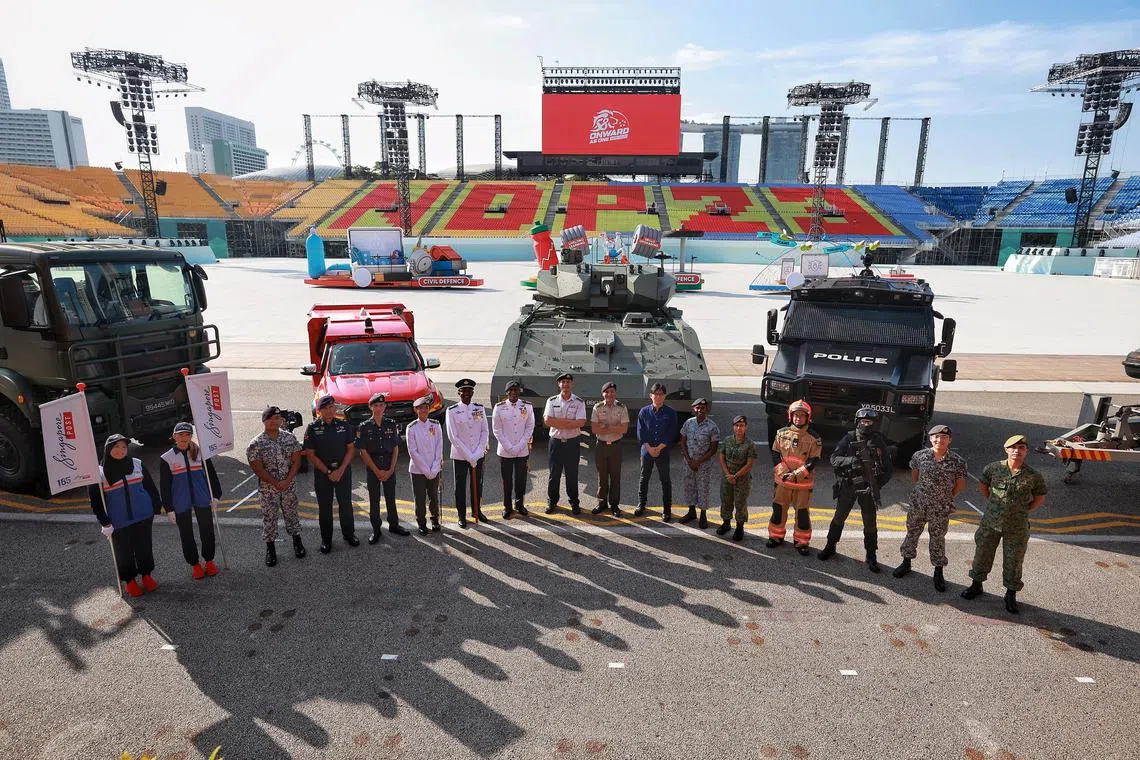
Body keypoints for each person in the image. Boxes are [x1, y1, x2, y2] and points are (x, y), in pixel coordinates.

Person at [961, 434, 1047, 614]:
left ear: (1026, 451)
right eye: (1013, 448)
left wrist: (1022, 511)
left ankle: (1010, 594)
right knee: (982, 554)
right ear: (1006, 450)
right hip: (991, 522)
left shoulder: (1033, 476)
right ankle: (976, 585)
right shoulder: (993, 469)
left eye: (1021, 448)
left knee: (1013, 561)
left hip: (1017, 527)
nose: (1017, 451)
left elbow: (1039, 498)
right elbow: (984, 488)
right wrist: (996, 507)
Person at [894, 424, 967, 591]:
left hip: (941, 508)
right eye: (936, 437)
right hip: (919, 504)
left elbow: (960, 485)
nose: (939, 440)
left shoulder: (957, 461)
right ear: (930, 438)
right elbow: (915, 477)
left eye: (943, 437)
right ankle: (906, 562)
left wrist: (944, 497)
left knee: (938, 539)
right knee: (912, 533)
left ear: (949, 440)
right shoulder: (919, 456)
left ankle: (938, 571)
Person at [820, 408, 892, 572]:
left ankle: (871, 555)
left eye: (869, 422)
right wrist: (852, 461)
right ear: (858, 422)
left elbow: (888, 470)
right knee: (839, 517)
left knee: (870, 523)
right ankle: (830, 546)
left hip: (868, 488)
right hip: (849, 485)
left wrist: (876, 485)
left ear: (874, 424)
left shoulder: (879, 442)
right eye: (863, 422)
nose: (866, 425)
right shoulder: (850, 437)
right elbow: (834, 459)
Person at [90, 434, 161, 597]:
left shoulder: (137, 464)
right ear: (108, 450)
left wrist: (156, 507)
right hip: (118, 521)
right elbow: (96, 502)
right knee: (124, 552)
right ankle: (129, 581)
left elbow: (150, 487)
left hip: (143, 515)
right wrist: (104, 522)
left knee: (144, 548)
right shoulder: (99, 473)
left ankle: (147, 576)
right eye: (116, 447)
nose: (121, 450)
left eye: (123, 446)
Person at [158, 422, 222, 579]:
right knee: (186, 533)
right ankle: (195, 564)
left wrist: (215, 495)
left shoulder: (201, 453)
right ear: (174, 437)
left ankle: (209, 561)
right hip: (180, 500)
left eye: (187, 434)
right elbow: (165, 486)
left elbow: (211, 476)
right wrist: (169, 508)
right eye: (180, 434)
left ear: (191, 436)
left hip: (202, 497)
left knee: (207, 530)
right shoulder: (166, 458)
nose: (183, 437)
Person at [247, 406, 306, 566]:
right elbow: (257, 469)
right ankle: (270, 549)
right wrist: (276, 483)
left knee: (292, 514)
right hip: (268, 489)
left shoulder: (290, 438)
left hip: (289, 485)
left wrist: (287, 481)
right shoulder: (256, 443)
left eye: (277, 419)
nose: (274, 422)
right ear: (264, 421)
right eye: (271, 419)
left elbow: (297, 461)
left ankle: (297, 542)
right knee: (269, 518)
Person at [303, 395, 358, 553]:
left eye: (332, 407)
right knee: (325, 508)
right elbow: (310, 453)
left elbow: (351, 449)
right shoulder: (312, 428)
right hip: (323, 474)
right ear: (319, 410)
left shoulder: (343, 425)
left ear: (335, 408)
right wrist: (328, 471)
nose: (329, 410)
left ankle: (349, 535)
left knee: (346, 505)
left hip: (343, 472)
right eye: (325, 408)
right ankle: (326, 540)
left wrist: (340, 471)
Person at [768, 400, 823, 556]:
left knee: (803, 514)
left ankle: (802, 541)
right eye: (796, 415)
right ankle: (776, 536)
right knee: (778, 509)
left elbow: (814, 460)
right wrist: (783, 472)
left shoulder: (814, 438)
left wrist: (796, 475)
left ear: (808, 417)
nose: (798, 418)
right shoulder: (781, 433)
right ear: (790, 416)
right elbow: (775, 453)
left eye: (802, 416)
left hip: (803, 484)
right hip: (782, 482)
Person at [356, 393, 411, 544]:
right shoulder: (364, 427)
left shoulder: (391, 424)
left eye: (381, 405)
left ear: (385, 407)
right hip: (373, 466)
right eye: (375, 405)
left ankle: (394, 525)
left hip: (388, 465)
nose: (378, 408)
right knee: (374, 500)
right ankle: (376, 530)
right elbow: (363, 452)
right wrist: (376, 470)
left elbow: (395, 448)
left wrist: (391, 469)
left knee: (391, 498)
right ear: (370, 407)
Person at [447, 378, 490, 528]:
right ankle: (461, 515)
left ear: (473, 392)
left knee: (477, 484)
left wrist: (477, 453)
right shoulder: (452, 411)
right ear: (459, 392)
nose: (466, 393)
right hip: (460, 455)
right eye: (463, 391)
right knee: (460, 486)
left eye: (469, 391)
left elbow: (485, 431)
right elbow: (453, 436)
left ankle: (476, 510)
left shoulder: (479, 408)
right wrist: (468, 455)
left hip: (478, 454)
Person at [544, 372, 587, 515]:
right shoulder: (551, 401)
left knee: (572, 474)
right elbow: (547, 421)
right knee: (554, 474)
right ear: (559, 384)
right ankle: (552, 501)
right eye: (563, 382)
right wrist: (569, 423)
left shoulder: (579, 402)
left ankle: (574, 502)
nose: (565, 384)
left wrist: (559, 423)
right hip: (555, 443)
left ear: (572, 384)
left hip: (572, 443)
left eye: (568, 382)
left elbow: (581, 422)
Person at [635, 383, 679, 521]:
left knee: (665, 480)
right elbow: (640, 432)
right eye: (656, 394)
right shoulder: (643, 412)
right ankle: (641, 505)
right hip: (647, 451)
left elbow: (672, 433)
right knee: (644, 478)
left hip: (663, 452)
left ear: (664, 396)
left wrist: (659, 448)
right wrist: (648, 448)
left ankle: (667, 509)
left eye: (661, 394)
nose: (658, 396)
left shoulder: (671, 413)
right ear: (651, 396)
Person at [492, 380, 535, 519]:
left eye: (516, 390)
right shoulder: (499, 407)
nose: (514, 393)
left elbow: (530, 427)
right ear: (507, 392)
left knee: (521, 479)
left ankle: (519, 504)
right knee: (507, 480)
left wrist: (521, 445)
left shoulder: (527, 406)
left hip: (522, 450)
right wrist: (509, 447)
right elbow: (497, 430)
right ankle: (507, 506)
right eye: (511, 390)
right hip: (505, 450)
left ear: (519, 392)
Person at [678, 398, 720, 528]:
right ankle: (691, 512)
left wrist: (698, 462)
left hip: (703, 464)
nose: (700, 410)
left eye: (703, 407)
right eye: (697, 407)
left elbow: (713, 449)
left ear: (707, 409)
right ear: (693, 409)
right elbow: (682, 441)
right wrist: (689, 460)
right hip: (689, 462)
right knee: (689, 486)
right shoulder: (688, 423)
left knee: (703, 489)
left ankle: (703, 515)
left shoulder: (712, 427)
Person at [590, 381, 629, 518]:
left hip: (616, 445)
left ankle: (614, 505)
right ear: (603, 394)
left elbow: (624, 429)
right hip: (601, 445)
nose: (609, 394)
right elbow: (594, 429)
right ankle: (601, 503)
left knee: (615, 476)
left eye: (612, 391)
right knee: (602, 476)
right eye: (607, 392)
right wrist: (614, 427)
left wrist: (606, 427)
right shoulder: (597, 407)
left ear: (615, 393)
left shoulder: (622, 407)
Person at [407, 394, 444, 534]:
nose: (423, 411)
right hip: (418, 470)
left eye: (426, 408)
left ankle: (435, 520)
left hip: (434, 469)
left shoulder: (435, 425)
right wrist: (426, 470)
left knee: (434, 497)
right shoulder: (412, 427)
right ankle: (421, 523)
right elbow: (413, 452)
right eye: (420, 408)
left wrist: (434, 469)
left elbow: (439, 447)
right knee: (420, 499)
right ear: (416, 410)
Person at [717, 416, 756, 541]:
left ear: (746, 427)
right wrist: (728, 474)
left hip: (742, 479)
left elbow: (749, 463)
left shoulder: (750, 444)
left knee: (740, 503)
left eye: (742, 426)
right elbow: (722, 457)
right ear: (733, 427)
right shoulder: (727, 440)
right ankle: (726, 523)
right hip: (727, 477)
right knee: (726, 500)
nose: (739, 428)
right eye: (737, 426)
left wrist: (735, 476)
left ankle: (740, 528)